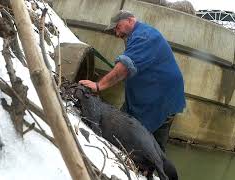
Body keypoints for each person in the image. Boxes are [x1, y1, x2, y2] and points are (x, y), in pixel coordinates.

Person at [79, 10, 186, 151]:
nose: (117, 33)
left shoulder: (144, 37)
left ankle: (150, 169)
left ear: (130, 20)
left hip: (159, 99)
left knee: (150, 143)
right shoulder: (137, 35)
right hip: (146, 98)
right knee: (125, 126)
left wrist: (99, 85)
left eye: (118, 27)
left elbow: (125, 66)